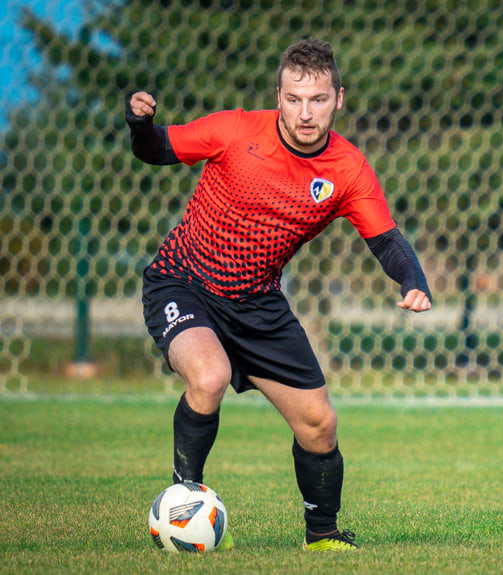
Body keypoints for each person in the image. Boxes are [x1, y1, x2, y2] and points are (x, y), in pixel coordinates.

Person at [126, 38, 432, 551]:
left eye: (317, 99)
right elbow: (157, 148)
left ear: (339, 98)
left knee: (319, 422)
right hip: (184, 282)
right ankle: (183, 501)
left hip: (259, 305)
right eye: (293, 98)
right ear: (278, 96)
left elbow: (387, 241)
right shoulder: (235, 130)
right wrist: (140, 125)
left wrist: (413, 280)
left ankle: (323, 535)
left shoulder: (347, 170)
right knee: (210, 375)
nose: (305, 113)